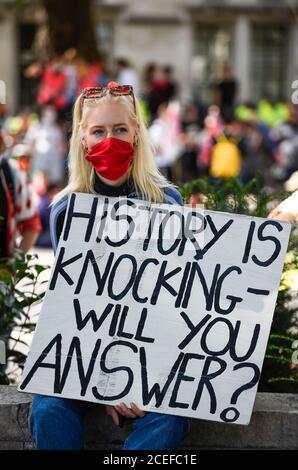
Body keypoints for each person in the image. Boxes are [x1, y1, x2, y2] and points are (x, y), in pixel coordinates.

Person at [30, 81, 190, 450]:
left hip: (149, 357)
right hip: (84, 357)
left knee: (173, 418)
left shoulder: (168, 202)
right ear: (82, 139)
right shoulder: (65, 209)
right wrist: (101, 383)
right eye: (98, 131)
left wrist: (132, 377)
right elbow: (74, 303)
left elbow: (170, 300)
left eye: (120, 129)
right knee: (48, 411)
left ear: (136, 133)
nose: (110, 140)